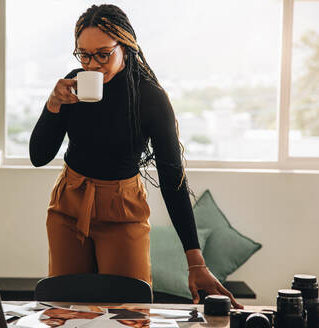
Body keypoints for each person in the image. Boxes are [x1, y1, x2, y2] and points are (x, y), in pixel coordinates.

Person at [29, 4, 242, 309]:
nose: (92, 65)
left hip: (123, 210)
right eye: (84, 55)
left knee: (130, 312)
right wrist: (52, 105)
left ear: (126, 47)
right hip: (69, 206)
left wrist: (195, 261)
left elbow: (172, 178)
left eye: (103, 54)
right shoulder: (72, 87)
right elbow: (38, 156)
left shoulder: (149, 97)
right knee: (66, 311)